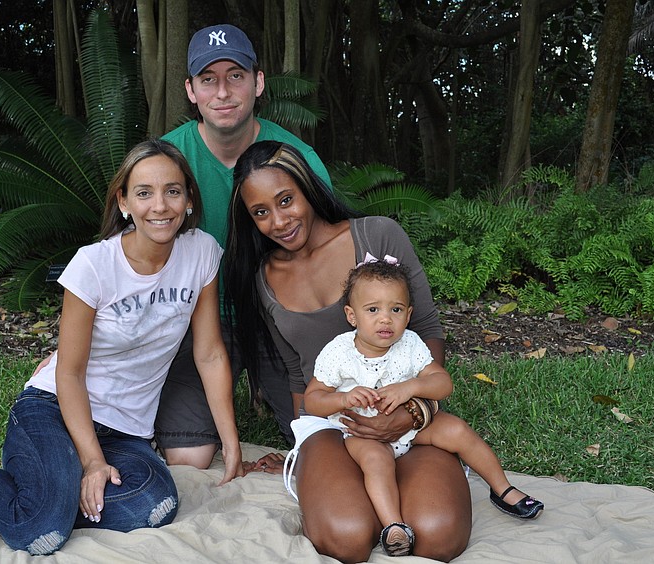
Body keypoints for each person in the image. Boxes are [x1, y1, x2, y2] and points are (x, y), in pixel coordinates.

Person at [0, 139, 244, 554]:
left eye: (172, 191)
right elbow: (69, 372)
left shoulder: (200, 253)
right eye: (144, 193)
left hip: (126, 431)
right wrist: (91, 462)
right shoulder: (93, 266)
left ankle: (24, 497)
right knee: (41, 534)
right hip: (55, 408)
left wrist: (230, 441)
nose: (159, 206)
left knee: (153, 505)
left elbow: (210, 353)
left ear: (188, 201)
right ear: (124, 202)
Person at [223, 140, 472, 562]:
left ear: (307, 188)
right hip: (333, 427)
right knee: (349, 538)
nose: (279, 221)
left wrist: (413, 412)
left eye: (286, 200)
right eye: (260, 212)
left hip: (408, 418)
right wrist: (303, 448)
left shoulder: (377, 235)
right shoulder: (262, 278)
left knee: (439, 535)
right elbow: (296, 372)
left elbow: (427, 329)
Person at [156, 23, 332, 468]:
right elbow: (128, 259)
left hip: (281, 316)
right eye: (208, 79)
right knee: (188, 457)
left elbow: (330, 251)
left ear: (258, 82)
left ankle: (267, 384)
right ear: (191, 90)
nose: (223, 92)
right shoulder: (165, 161)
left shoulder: (295, 157)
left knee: (324, 436)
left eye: (235, 75)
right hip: (200, 321)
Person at [303, 259, 544, 556]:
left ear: (408, 314)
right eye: (373, 309)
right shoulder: (339, 352)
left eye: (396, 309)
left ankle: (503, 489)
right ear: (352, 316)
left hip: (412, 426)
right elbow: (312, 400)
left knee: (456, 430)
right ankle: (395, 526)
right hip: (362, 433)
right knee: (376, 462)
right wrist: (343, 398)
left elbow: (443, 384)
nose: (385, 319)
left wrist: (412, 386)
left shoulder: (410, 344)